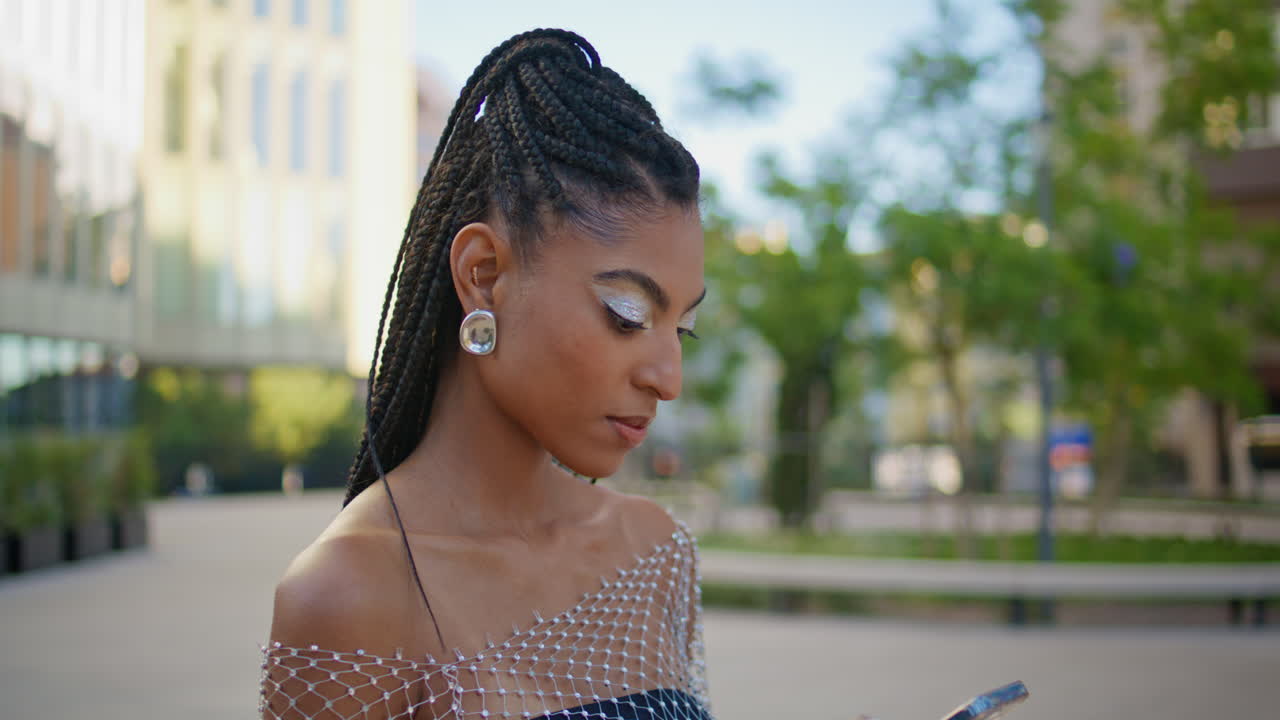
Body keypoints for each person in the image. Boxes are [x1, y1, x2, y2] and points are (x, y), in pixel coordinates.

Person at [259, 28, 712, 720]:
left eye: (681, 328)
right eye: (627, 315)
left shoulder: (655, 554)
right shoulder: (352, 592)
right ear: (484, 275)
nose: (667, 379)